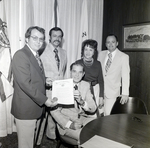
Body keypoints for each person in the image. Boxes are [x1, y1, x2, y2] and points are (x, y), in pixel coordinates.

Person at [11, 26, 58, 148]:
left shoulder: (35, 55)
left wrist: (44, 80)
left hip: (34, 108)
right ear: (27, 39)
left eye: (41, 39)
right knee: (26, 144)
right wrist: (45, 100)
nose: (38, 42)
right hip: (26, 110)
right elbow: (25, 84)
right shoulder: (21, 55)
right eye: (35, 38)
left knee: (30, 142)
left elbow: (33, 77)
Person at [50, 62, 97, 141]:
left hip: (82, 118)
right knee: (86, 137)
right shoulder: (61, 85)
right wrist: (70, 125)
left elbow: (93, 108)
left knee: (99, 129)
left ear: (83, 74)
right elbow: (54, 111)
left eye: (80, 72)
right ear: (70, 72)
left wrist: (81, 102)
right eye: (74, 71)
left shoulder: (85, 85)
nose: (77, 75)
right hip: (67, 122)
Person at [40, 27, 67, 142]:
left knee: (56, 112)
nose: (57, 38)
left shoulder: (63, 52)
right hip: (46, 89)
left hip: (59, 89)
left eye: (59, 36)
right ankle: (39, 139)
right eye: (54, 36)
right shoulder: (41, 51)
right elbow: (38, 71)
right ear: (49, 37)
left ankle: (52, 136)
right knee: (44, 116)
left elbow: (62, 71)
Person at [98, 34, 130, 116]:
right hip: (99, 91)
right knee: (98, 115)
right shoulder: (101, 54)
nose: (110, 44)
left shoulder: (123, 57)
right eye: (108, 42)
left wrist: (125, 93)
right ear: (105, 44)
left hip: (112, 92)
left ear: (117, 43)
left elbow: (126, 76)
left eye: (113, 42)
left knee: (108, 115)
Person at [75, 39, 104, 116]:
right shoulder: (78, 63)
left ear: (94, 51)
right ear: (83, 50)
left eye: (90, 50)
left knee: (96, 115)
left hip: (96, 90)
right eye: (86, 49)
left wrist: (101, 97)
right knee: (84, 113)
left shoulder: (98, 64)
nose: (88, 52)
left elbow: (101, 81)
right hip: (83, 90)